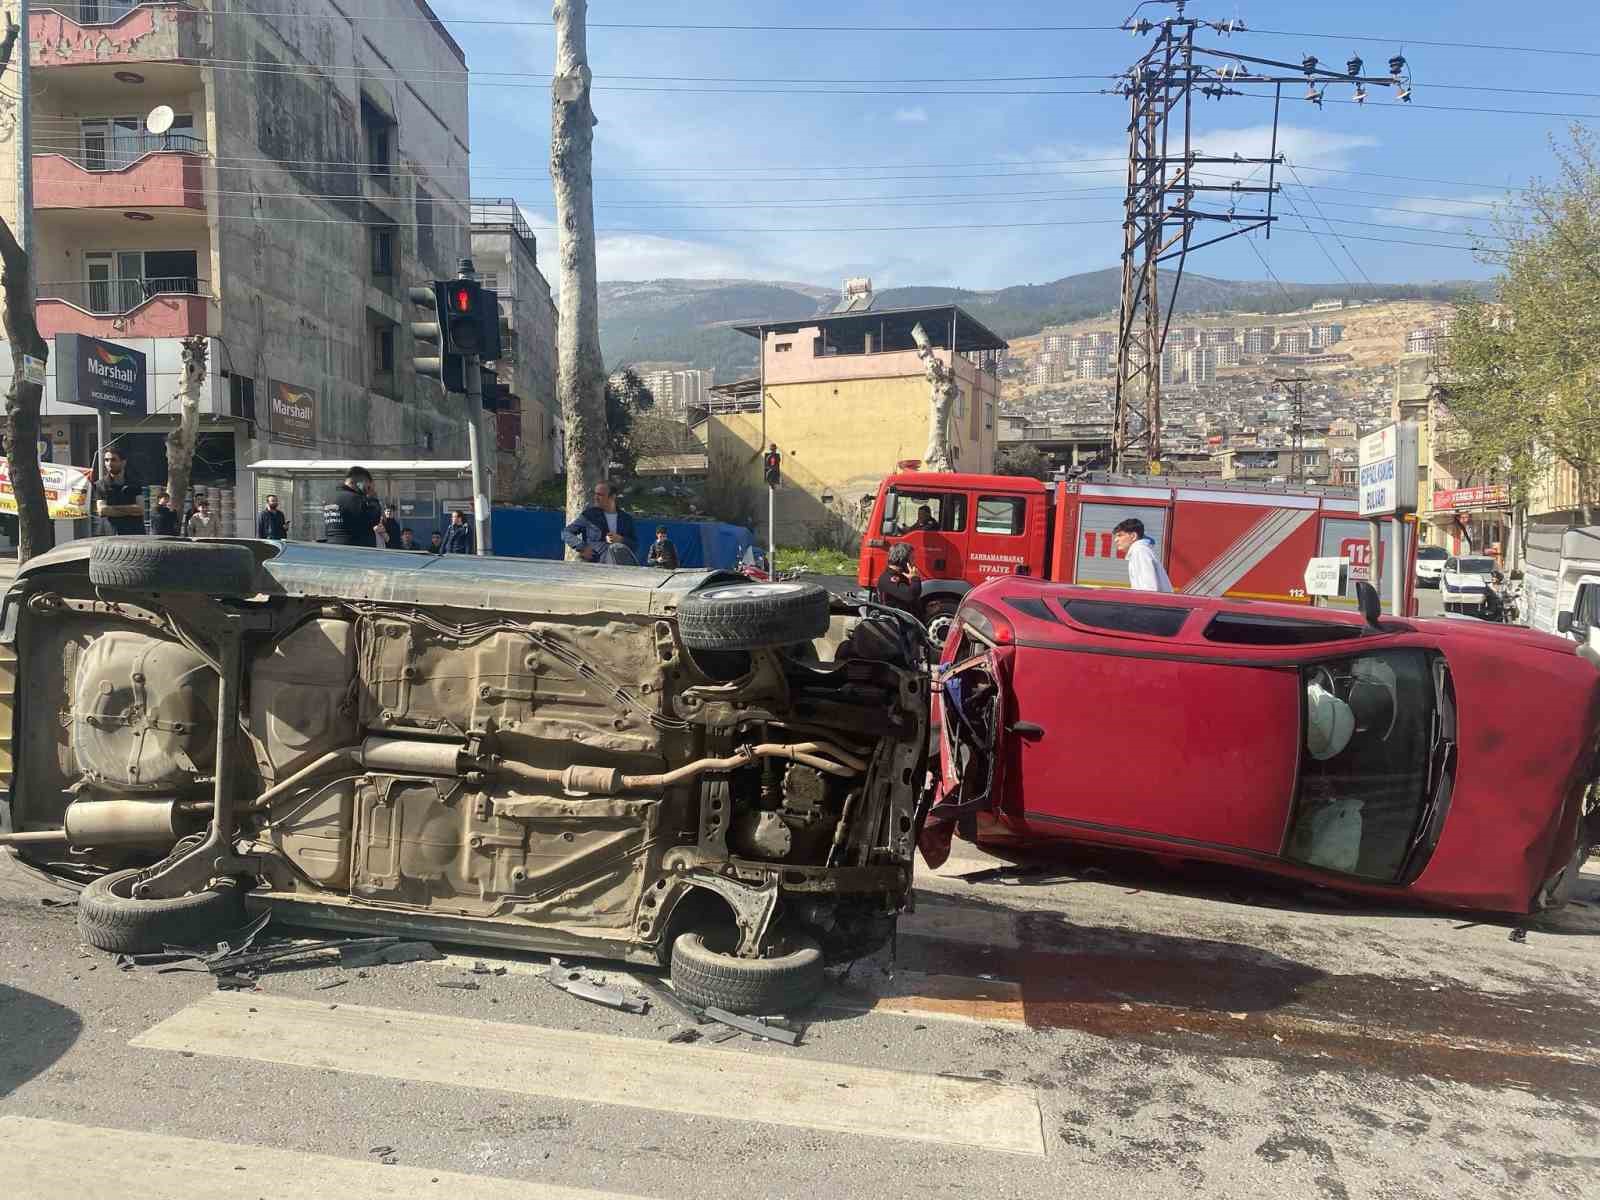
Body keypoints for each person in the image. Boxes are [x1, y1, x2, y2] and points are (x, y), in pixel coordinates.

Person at [561, 481, 639, 564]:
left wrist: (621, 540)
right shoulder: (589, 516)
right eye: (595, 494)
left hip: (619, 565)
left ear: (612, 497)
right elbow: (566, 532)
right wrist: (582, 547)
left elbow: (635, 545)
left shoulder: (626, 519)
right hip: (594, 564)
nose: (596, 497)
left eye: (600, 495)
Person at [322, 466, 380, 547]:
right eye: (368, 486)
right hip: (354, 549)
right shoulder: (355, 499)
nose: (368, 489)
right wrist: (373, 498)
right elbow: (374, 519)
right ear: (361, 483)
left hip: (332, 546)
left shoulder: (330, 498)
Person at [1112, 517, 1173, 593]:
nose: (1116, 540)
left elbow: (1149, 589)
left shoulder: (1140, 551)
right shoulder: (1140, 551)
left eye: (1120, 535)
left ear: (1133, 536)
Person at [94, 447, 146, 535]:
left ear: (123, 462)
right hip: (110, 534)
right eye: (106, 460)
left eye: (113, 460)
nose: (109, 463)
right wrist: (130, 509)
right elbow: (102, 510)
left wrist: (111, 510)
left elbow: (140, 509)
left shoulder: (135, 483)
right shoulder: (100, 485)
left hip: (134, 533)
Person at [876, 542, 923, 621]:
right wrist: (915, 578)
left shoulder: (899, 575)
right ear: (903, 560)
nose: (913, 562)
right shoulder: (889, 578)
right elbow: (910, 596)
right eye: (912, 558)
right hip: (896, 624)